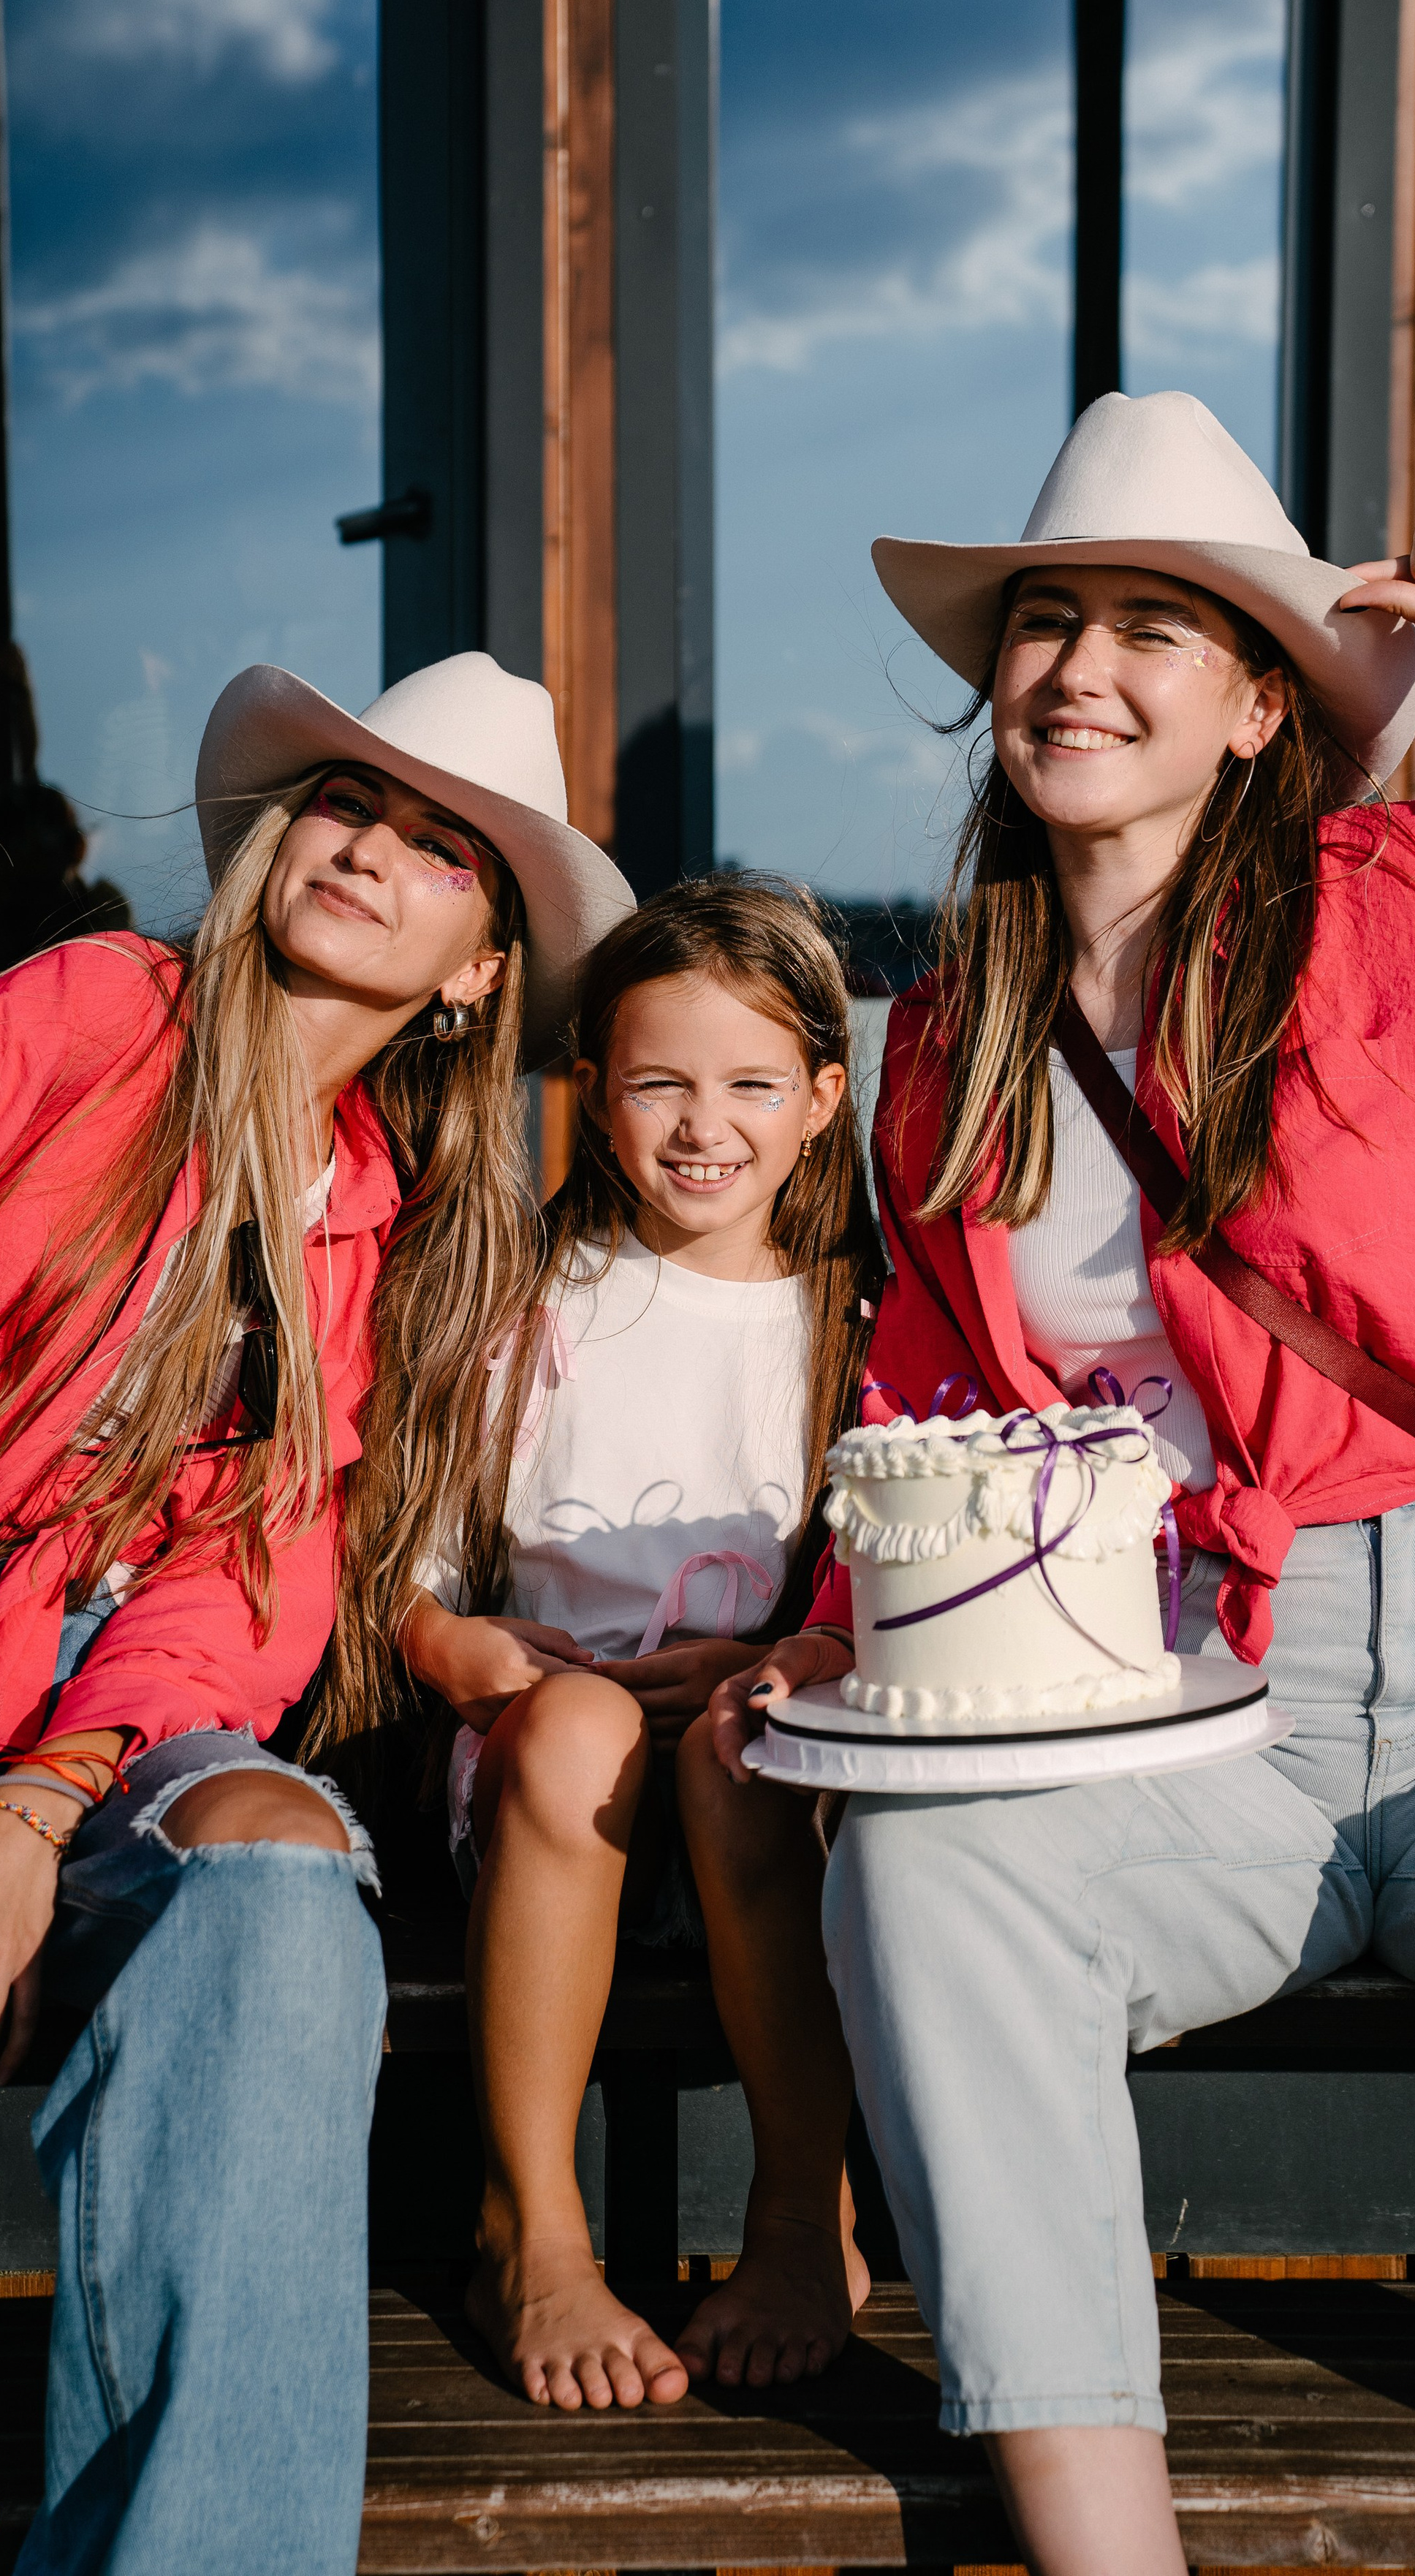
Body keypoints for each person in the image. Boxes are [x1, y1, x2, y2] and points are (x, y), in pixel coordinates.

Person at [711, 393, 1415, 2576]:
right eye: (1046, 620)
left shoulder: (1410, 903)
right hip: (1187, 1707)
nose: (1080, 668)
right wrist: (851, 1615)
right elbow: (933, 1399)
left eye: (1150, 628)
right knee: (921, 1871)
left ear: (1250, 710)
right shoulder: (941, 1045)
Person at [0, 649, 631, 2575]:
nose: (374, 850)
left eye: (442, 848)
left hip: (97, 1700)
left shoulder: (389, 1224)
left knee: (282, 1881)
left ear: (478, 965)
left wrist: (38, 1801)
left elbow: (254, 1587)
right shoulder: (97, 1011)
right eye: (350, 805)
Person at [386, 879, 881, 2413]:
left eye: (747, 1086)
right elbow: (408, 1579)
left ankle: (807, 2213)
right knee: (587, 1732)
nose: (700, 1126)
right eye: (658, 1083)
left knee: (736, 1749)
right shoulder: (530, 1302)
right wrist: (456, 1656)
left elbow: (905, 1582)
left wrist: (789, 1649)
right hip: (546, 1778)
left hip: (766, 1785)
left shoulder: (858, 1321)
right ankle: (530, 2225)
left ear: (819, 1097)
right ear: (591, 1092)